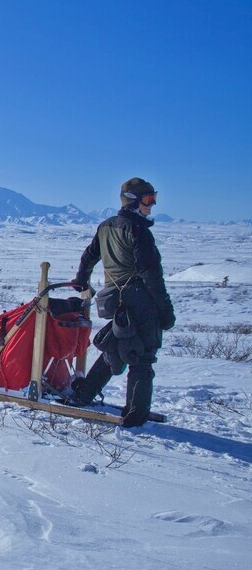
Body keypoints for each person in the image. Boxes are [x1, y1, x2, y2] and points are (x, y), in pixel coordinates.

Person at [68, 177, 175, 427]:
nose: (152, 205)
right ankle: (136, 415)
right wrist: (166, 312)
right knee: (143, 356)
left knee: (115, 347)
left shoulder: (106, 226)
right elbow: (153, 277)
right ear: (134, 201)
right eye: (149, 200)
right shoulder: (139, 232)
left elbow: (89, 256)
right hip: (140, 301)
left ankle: (84, 394)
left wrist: (81, 281)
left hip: (115, 301)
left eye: (154, 198)